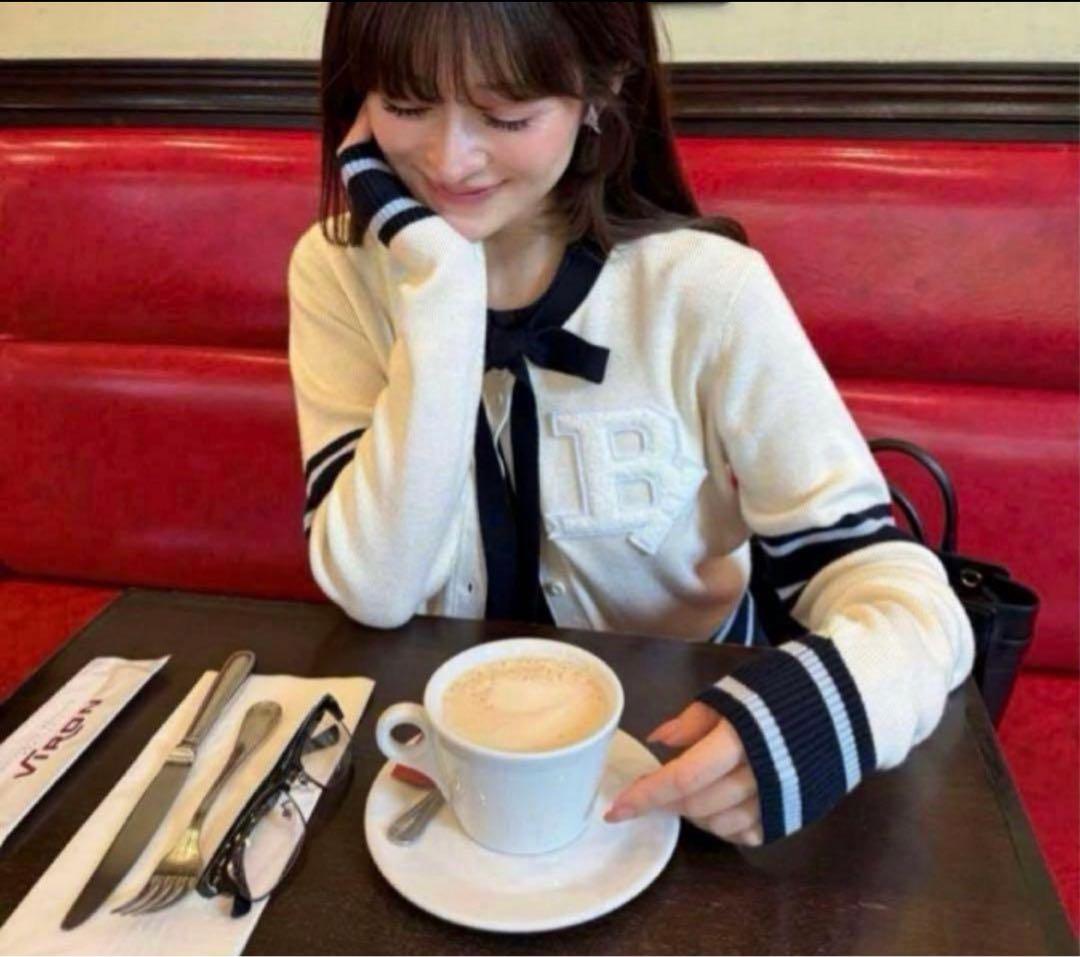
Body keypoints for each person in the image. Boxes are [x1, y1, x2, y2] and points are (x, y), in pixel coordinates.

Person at [288, 1, 974, 848]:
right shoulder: (338, 271)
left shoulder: (706, 289)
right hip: (441, 756)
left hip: (681, 758)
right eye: (404, 104)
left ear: (602, 89)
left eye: (506, 115)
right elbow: (376, 586)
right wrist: (443, 287)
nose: (448, 159)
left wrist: (815, 716)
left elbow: (901, 595)